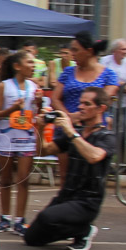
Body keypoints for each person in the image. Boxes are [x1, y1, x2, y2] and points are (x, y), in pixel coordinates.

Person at [23, 88, 115, 250]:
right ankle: (76, 229)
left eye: (87, 104)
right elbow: (43, 151)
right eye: (80, 103)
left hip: (87, 201)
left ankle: (84, 230)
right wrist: (41, 128)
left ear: (101, 108)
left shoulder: (106, 136)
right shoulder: (75, 133)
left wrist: (70, 131)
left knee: (47, 218)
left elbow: (94, 156)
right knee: (31, 238)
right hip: (66, 196)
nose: (80, 107)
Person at [50, 32, 118, 183]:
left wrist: (78, 117)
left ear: (89, 51)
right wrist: (68, 117)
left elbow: (104, 101)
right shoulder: (68, 72)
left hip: (93, 131)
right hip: (66, 128)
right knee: (66, 177)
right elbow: (55, 97)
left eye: (75, 50)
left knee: (91, 177)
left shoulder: (109, 75)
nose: (72, 54)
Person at [0, 51, 40, 234]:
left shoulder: (34, 87)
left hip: (26, 138)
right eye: (30, 62)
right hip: (7, 138)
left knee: (24, 180)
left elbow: (36, 113)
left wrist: (39, 103)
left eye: (34, 63)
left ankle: (20, 220)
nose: (33, 66)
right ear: (17, 66)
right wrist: (12, 109)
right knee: (5, 179)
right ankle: (4, 218)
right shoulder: (3, 86)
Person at [100, 38, 126, 175]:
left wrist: (121, 86)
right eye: (123, 49)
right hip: (108, 104)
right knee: (107, 133)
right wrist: (121, 85)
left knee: (122, 135)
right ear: (115, 50)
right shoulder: (105, 61)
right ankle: (107, 163)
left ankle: (118, 164)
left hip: (123, 104)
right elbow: (103, 80)